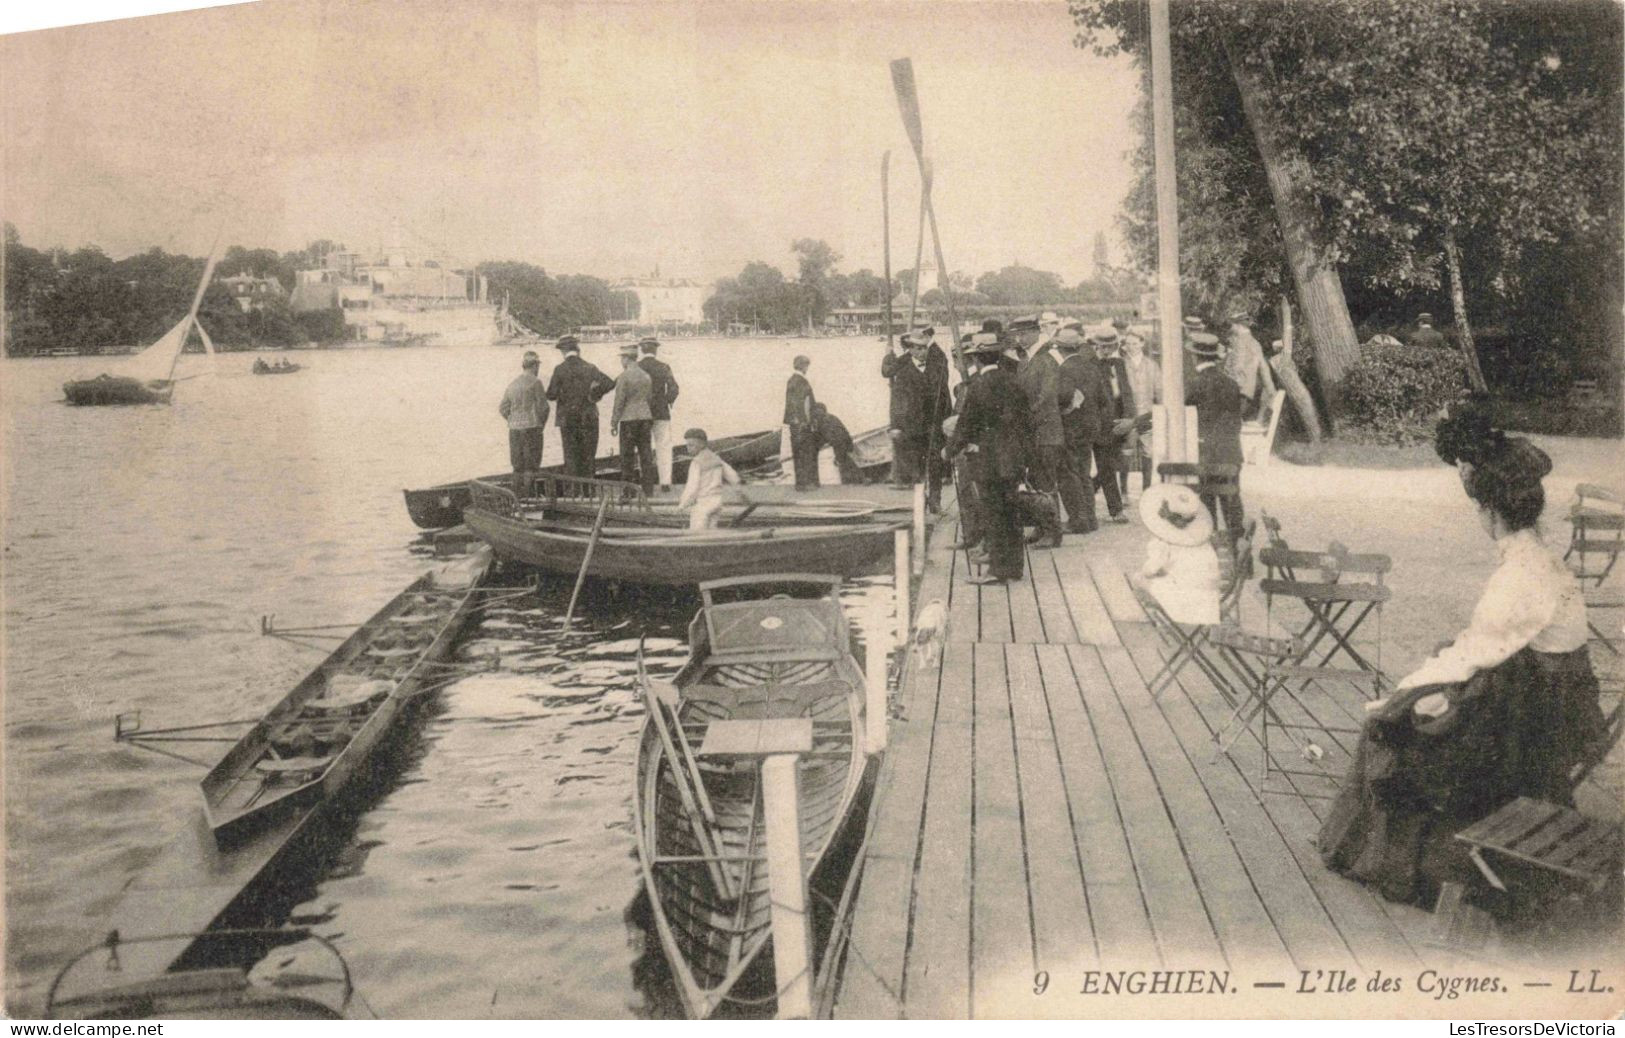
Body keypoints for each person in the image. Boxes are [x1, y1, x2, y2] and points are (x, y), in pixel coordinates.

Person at [1319, 409, 1604, 911]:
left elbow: (1479, 651)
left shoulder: (1522, 572)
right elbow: (1488, 646)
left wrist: (1406, 690)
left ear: (1490, 511)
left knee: (1393, 724)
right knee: (1420, 696)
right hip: (1546, 695)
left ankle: (1396, 863)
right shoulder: (1536, 558)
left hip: (1538, 718)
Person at [949, 333, 1032, 584]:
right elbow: (1026, 422)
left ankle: (996, 570)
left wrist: (949, 450)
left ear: (976, 359)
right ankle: (1014, 568)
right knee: (1012, 514)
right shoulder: (1014, 382)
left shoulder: (978, 387)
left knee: (994, 516)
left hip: (989, 461)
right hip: (1014, 459)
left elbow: (965, 424)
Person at [1009, 315, 1065, 546]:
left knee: (1047, 482)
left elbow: (1047, 396)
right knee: (1035, 480)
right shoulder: (1027, 359)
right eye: (1016, 334)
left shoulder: (1047, 358)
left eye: (1022, 334)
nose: (1018, 338)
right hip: (1033, 431)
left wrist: (1026, 417)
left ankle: (1053, 532)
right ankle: (1042, 527)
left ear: (1034, 332)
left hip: (1046, 431)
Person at [1133, 483, 1220, 626]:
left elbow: (1150, 570)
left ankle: (1161, 620)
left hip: (1185, 598)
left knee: (1139, 578)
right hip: (1209, 599)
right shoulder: (1202, 539)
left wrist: (1149, 573)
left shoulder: (1167, 540)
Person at [1184, 332, 1245, 532]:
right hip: (1231, 453)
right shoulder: (1232, 385)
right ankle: (1238, 552)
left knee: (1206, 506)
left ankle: (1211, 553)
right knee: (1232, 504)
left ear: (1195, 356)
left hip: (1206, 454)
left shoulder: (1194, 385)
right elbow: (1236, 422)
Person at [882, 330, 950, 496]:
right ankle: (921, 501)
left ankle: (935, 501)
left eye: (924, 348)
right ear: (910, 349)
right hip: (913, 427)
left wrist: (947, 421)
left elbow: (945, 396)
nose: (922, 352)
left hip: (934, 425)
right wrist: (896, 426)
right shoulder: (904, 373)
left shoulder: (937, 368)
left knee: (935, 465)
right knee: (917, 467)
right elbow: (897, 403)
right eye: (918, 349)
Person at [1054, 324, 1106, 534]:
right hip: (1091, 427)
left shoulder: (1064, 370)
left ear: (1060, 349)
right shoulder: (1092, 368)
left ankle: (1078, 520)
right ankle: (1090, 518)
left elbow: (1063, 397)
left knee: (1069, 474)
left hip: (1071, 427)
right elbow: (1103, 399)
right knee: (1084, 472)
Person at [546, 335, 615, 481]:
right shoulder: (590, 367)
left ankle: (574, 493)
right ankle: (589, 492)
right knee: (588, 456)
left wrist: (562, 393)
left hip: (567, 420)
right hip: (588, 417)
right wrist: (594, 395)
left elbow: (550, 395)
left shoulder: (559, 370)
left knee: (571, 457)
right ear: (577, 349)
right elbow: (609, 383)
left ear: (563, 351)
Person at [1090, 328, 1136, 523]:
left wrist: (1129, 418)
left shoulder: (1120, 365)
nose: (1106, 350)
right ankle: (1116, 510)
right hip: (1099, 422)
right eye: (1103, 347)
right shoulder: (1091, 366)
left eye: (1110, 346)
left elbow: (1127, 393)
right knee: (1107, 466)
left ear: (1116, 346)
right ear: (1097, 347)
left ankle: (1087, 491)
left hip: (1119, 421)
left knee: (1111, 464)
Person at [498, 350, 551, 495]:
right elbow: (544, 408)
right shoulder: (536, 383)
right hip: (532, 428)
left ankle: (516, 497)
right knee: (531, 465)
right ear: (535, 366)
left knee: (517, 465)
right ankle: (529, 496)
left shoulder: (513, 384)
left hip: (514, 430)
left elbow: (502, 408)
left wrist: (512, 419)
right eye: (537, 366)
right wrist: (541, 425)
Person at [677, 427, 745, 531]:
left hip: (703, 503)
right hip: (717, 502)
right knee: (712, 531)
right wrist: (739, 491)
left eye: (691, 445)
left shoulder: (696, 462)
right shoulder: (716, 459)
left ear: (702, 444)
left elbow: (692, 487)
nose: (688, 448)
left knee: (696, 534)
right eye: (687, 445)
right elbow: (733, 476)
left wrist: (682, 505)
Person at [610, 345, 656, 495]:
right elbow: (649, 398)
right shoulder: (646, 375)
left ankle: (629, 490)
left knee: (627, 456)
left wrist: (614, 422)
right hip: (645, 417)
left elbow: (619, 401)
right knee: (646, 454)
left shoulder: (624, 377)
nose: (621, 361)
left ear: (626, 359)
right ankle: (648, 489)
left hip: (628, 419)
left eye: (622, 358)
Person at [638, 337, 680, 491]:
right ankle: (665, 483)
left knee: (644, 448)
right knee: (664, 447)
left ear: (641, 350)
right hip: (661, 412)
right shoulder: (664, 367)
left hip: (641, 414)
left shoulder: (636, 367)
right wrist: (667, 401)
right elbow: (674, 388)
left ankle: (646, 483)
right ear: (656, 350)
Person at [1122, 331, 1161, 492]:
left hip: (1147, 414)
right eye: (1129, 344)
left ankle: (1147, 488)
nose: (1132, 347)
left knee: (1148, 452)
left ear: (1142, 344)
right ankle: (1123, 488)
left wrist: (1158, 409)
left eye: (1135, 343)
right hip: (1128, 415)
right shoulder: (1121, 364)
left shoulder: (1151, 365)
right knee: (1126, 450)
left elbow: (1159, 389)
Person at [1225, 310, 1278, 421]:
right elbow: (1263, 368)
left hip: (1237, 390)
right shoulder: (1255, 343)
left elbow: (1237, 367)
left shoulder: (1240, 342)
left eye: (1233, 324)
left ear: (1238, 325)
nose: (1231, 327)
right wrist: (1271, 390)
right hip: (1247, 391)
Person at [784, 355, 819, 490]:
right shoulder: (802, 381)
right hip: (802, 423)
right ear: (804, 366)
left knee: (797, 453)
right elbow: (805, 403)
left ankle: (800, 483)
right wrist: (807, 421)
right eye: (807, 366)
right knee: (805, 452)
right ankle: (805, 484)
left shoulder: (791, 380)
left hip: (793, 423)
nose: (808, 369)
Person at [812, 402, 863, 485]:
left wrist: (816, 446)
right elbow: (842, 431)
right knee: (845, 461)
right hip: (841, 442)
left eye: (817, 410)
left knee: (843, 462)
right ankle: (856, 480)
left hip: (839, 443)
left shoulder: (823, 420)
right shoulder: (831, 417)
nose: (816, 413)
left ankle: (854, 480)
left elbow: (823, 436)